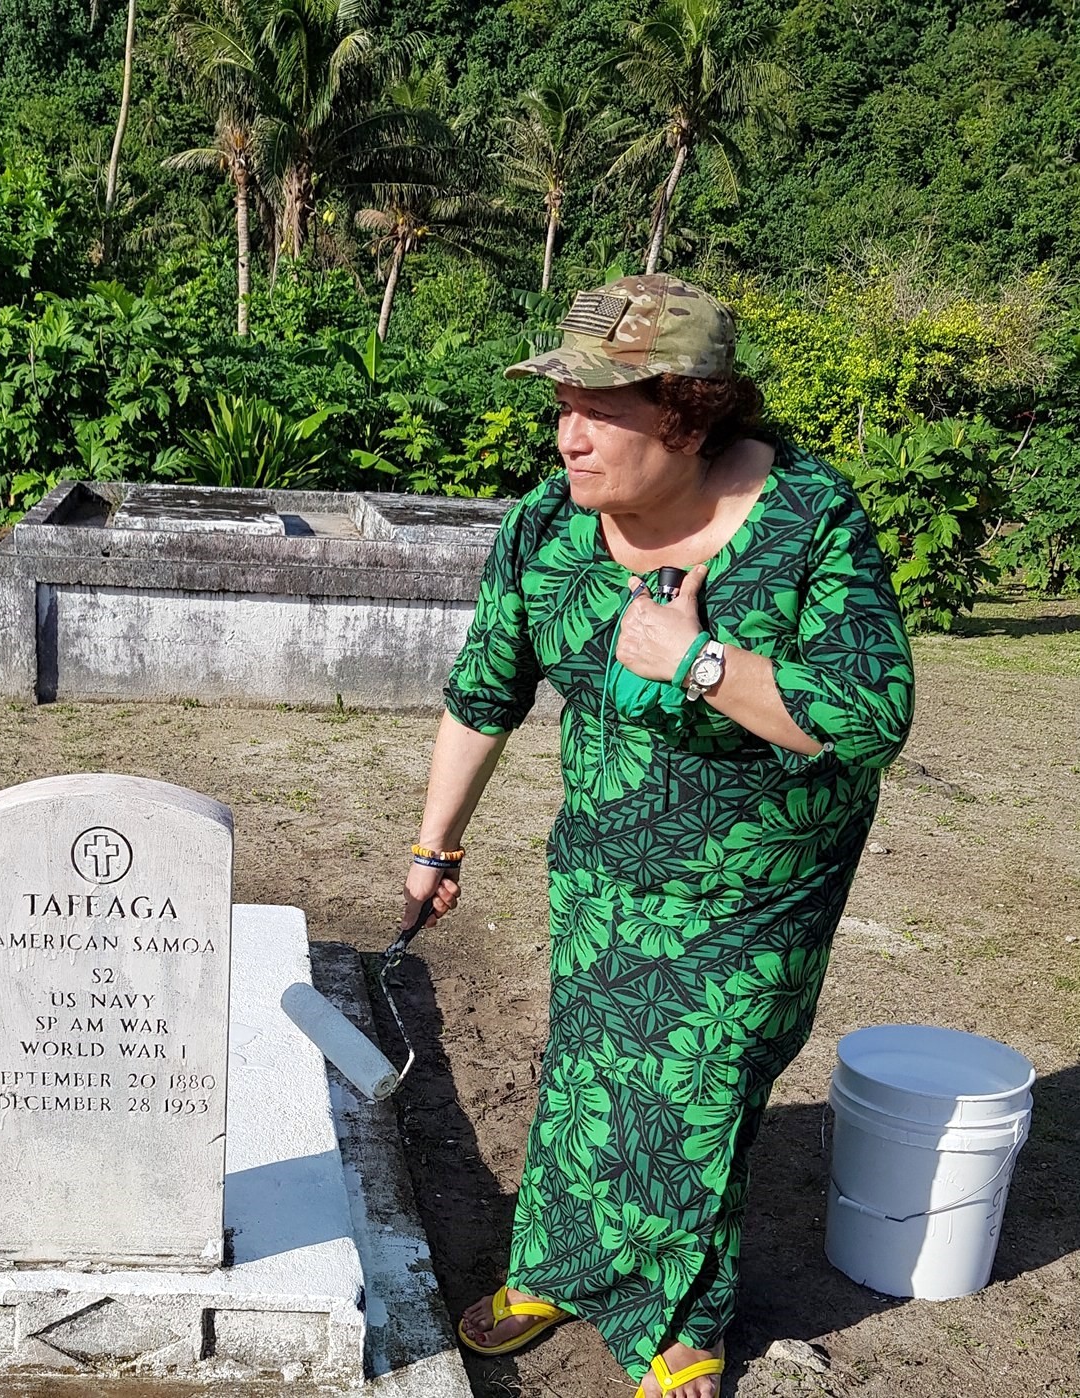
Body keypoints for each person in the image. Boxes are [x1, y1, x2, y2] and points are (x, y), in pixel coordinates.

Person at [402, 275, 915, 1398]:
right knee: (587, 1070)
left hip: (756, 891)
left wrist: (699, 662)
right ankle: (556, 1268)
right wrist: (435, 846)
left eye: (601, 410)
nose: (568, 437)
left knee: (701, 1089)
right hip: (604, 869)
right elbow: (485, 688)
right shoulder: (548, 523)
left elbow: (869, 719)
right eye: (561, 406)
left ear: (690, 416)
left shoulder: (805, 521)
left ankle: (677, 1320)